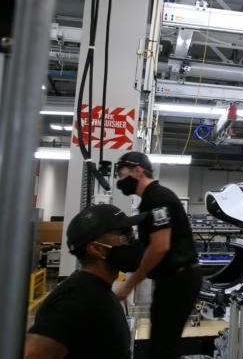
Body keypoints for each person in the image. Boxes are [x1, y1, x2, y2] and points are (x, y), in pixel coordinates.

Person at [25, 204, 146, 359]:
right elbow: (32, 355)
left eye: (132, 235)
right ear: (96, 249)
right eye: (125, 237)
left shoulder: (98, 290)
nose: (133, 243)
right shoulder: (76, 299)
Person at [113, 151, 201, 359]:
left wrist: (129, 284)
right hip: (172, 280)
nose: (119, 180)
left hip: (179, 281)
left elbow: (160, 247)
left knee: (163, 347)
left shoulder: (157, 198)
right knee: (162, 344)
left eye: (121, 174)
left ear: (138, 171)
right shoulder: (150, 200)